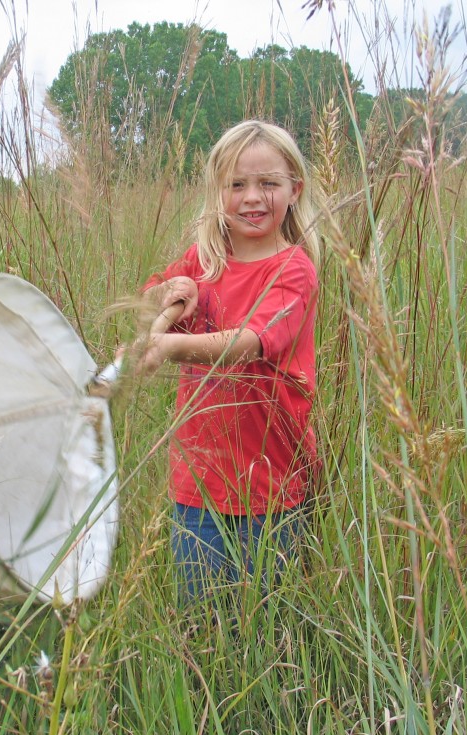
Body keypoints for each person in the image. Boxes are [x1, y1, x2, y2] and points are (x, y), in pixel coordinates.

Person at [136, 120, 320, 600]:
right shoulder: (205, 257)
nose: (252, 197)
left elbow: (252, 342)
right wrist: (169, 292)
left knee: (265, 619)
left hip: (270, 484)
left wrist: (173, 348)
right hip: (198, 481)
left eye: (268, 184)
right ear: (218, 193)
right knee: (199, 617)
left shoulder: (294, 269)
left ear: (294, 190)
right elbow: (152, 297)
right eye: (236, 185)